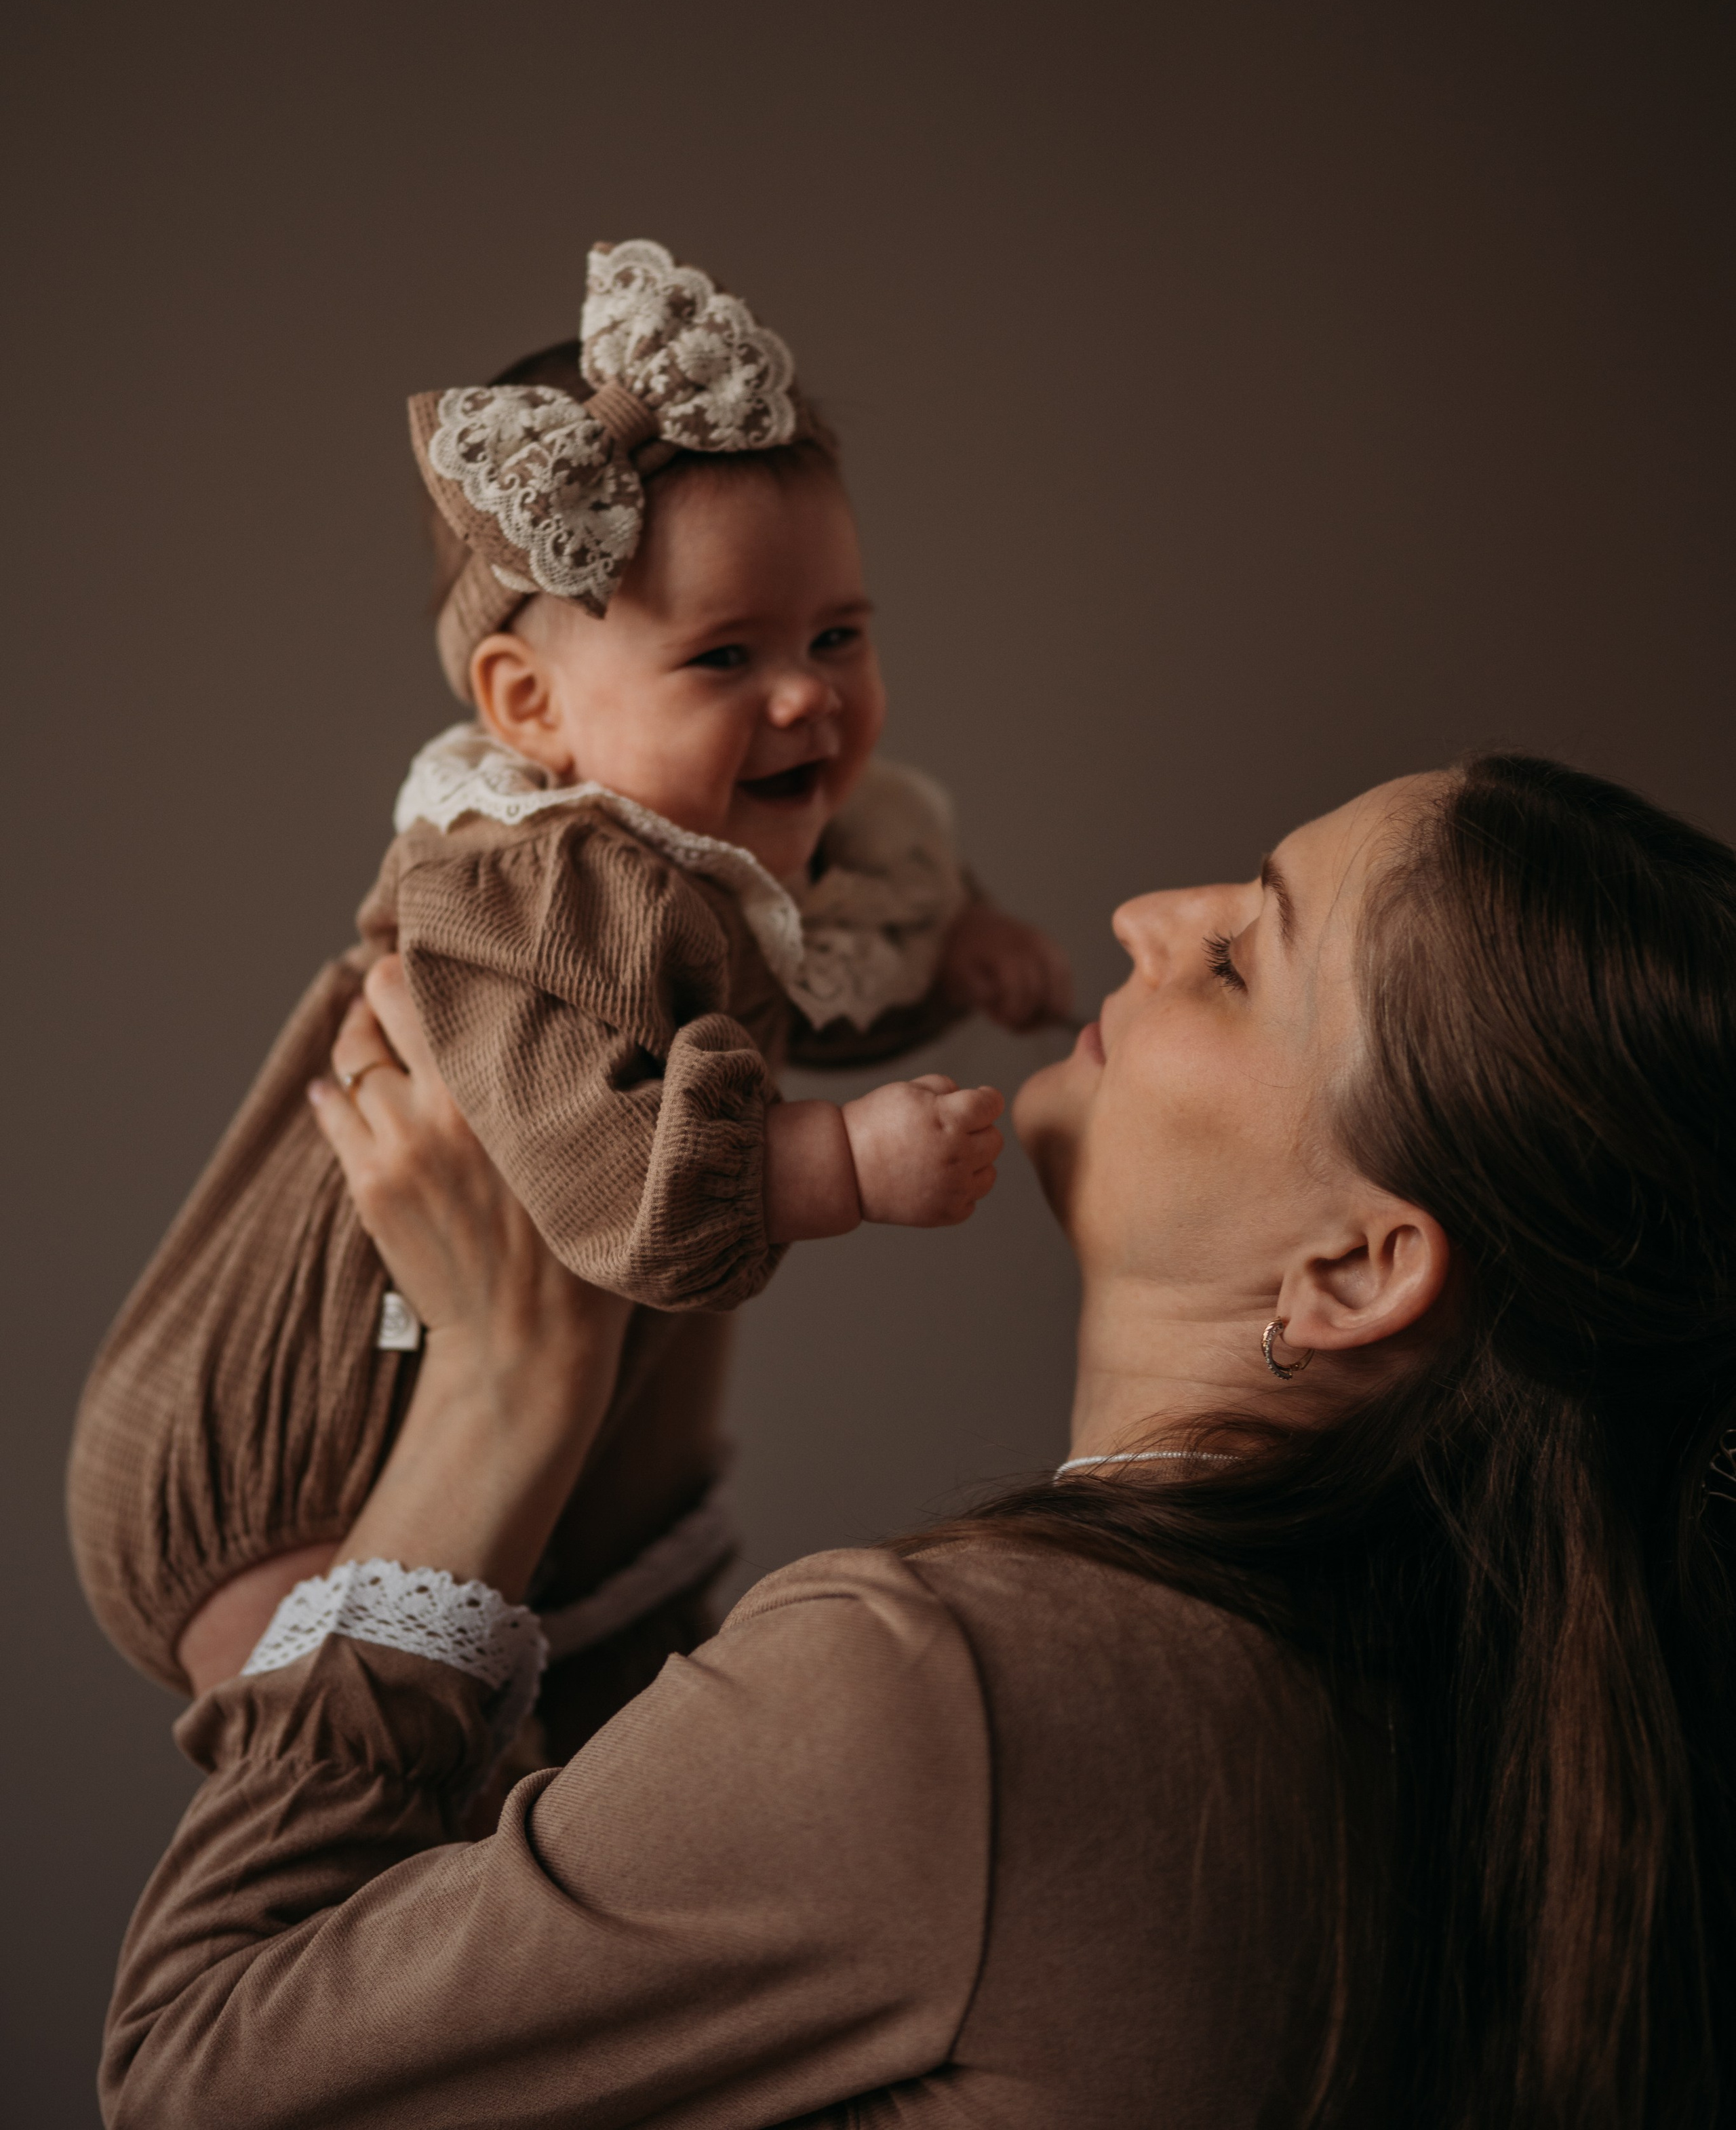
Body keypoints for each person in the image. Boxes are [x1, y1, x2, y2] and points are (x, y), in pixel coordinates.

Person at [102, 755, 1736, 2127]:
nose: (1147, 921)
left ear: (1357, 1269)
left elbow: (192, 2075)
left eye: (1240, 959)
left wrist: (499, 1396)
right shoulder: (1469, 1740)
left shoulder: (949, 1695)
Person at [68, 237, 1067, 1720]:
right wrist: (833, 1162)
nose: (806, 695)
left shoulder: (740, 847)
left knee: (585, 1755)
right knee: (391, 1782)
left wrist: (951, 952)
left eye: (836, 635)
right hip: (296, 1456)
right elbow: (587, 1163)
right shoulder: (523, 885)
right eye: (723, 656)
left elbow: (821, 955)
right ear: (529, 708)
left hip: (564, 1444)